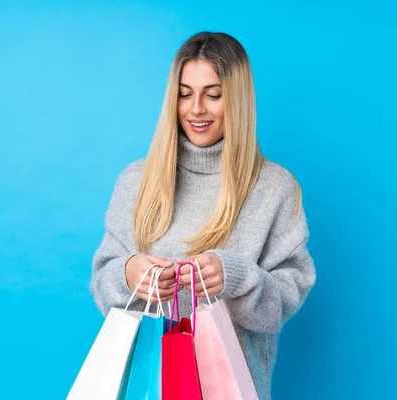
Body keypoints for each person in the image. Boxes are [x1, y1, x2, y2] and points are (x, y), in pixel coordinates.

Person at [90, 31, 316, 400]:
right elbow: (103, 285)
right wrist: (129, 274)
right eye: (185, 93)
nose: (196, 109)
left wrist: (235, 277)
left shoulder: (275, 188)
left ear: (238, 99)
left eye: (213, 95)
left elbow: (284, 302)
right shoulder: (136, 181)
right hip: (146, 390)